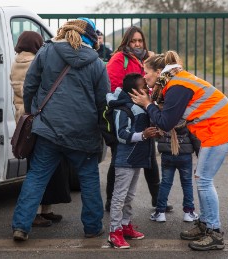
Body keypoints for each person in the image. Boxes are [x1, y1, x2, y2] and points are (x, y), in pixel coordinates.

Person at [130, 50, 228, 251]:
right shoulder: (176, 81)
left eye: (146, 72)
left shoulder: (177, 85)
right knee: (202, 178)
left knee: (204, 180)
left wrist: (148, 104)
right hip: (216, 127)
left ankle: (214, 232)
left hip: (220, 128)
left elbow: (166, 123)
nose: (144, 76)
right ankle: (205, 224)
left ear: (159, 72)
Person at [11, 18, 109, 241]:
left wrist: (33, 111)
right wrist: (103, 130)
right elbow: (103, 102)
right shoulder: (96, 63)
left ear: (65, 31)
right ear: (91, 37)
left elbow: (30, 86)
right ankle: (93, 227)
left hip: (48, 129)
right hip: (83, 133)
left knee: (36, 177)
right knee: (89, 179)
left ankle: (21, 227)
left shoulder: (46, 52)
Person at [105, 26, 172, 213]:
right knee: (119, 158)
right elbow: (113, 85)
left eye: (139, 41)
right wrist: (135, 94)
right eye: (133, 41)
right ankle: (111, 201)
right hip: (126, 113)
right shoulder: (118, 59)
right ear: (126, 41)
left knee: (150, 157)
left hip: (144, 111)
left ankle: (158, 201)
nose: (137, 44)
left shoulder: (147, 59)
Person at [10, 31, 70, 228]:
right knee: (38, 170)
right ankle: (36, 213)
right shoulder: (34, 63)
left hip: (24, 118)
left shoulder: (17, 62)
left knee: (41, 167)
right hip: (37, 120)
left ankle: (46, 210)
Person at [106, 73, 154, 249]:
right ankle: (114, 232)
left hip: (137, 158)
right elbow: (121, 135)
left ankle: (125, 225)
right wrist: (143, 135)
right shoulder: (123, 108)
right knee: (119, 197)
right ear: (134, 91)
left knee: (130, 195)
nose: (147, 89)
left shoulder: (140, 105)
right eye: (143, 87)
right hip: (125, 159)